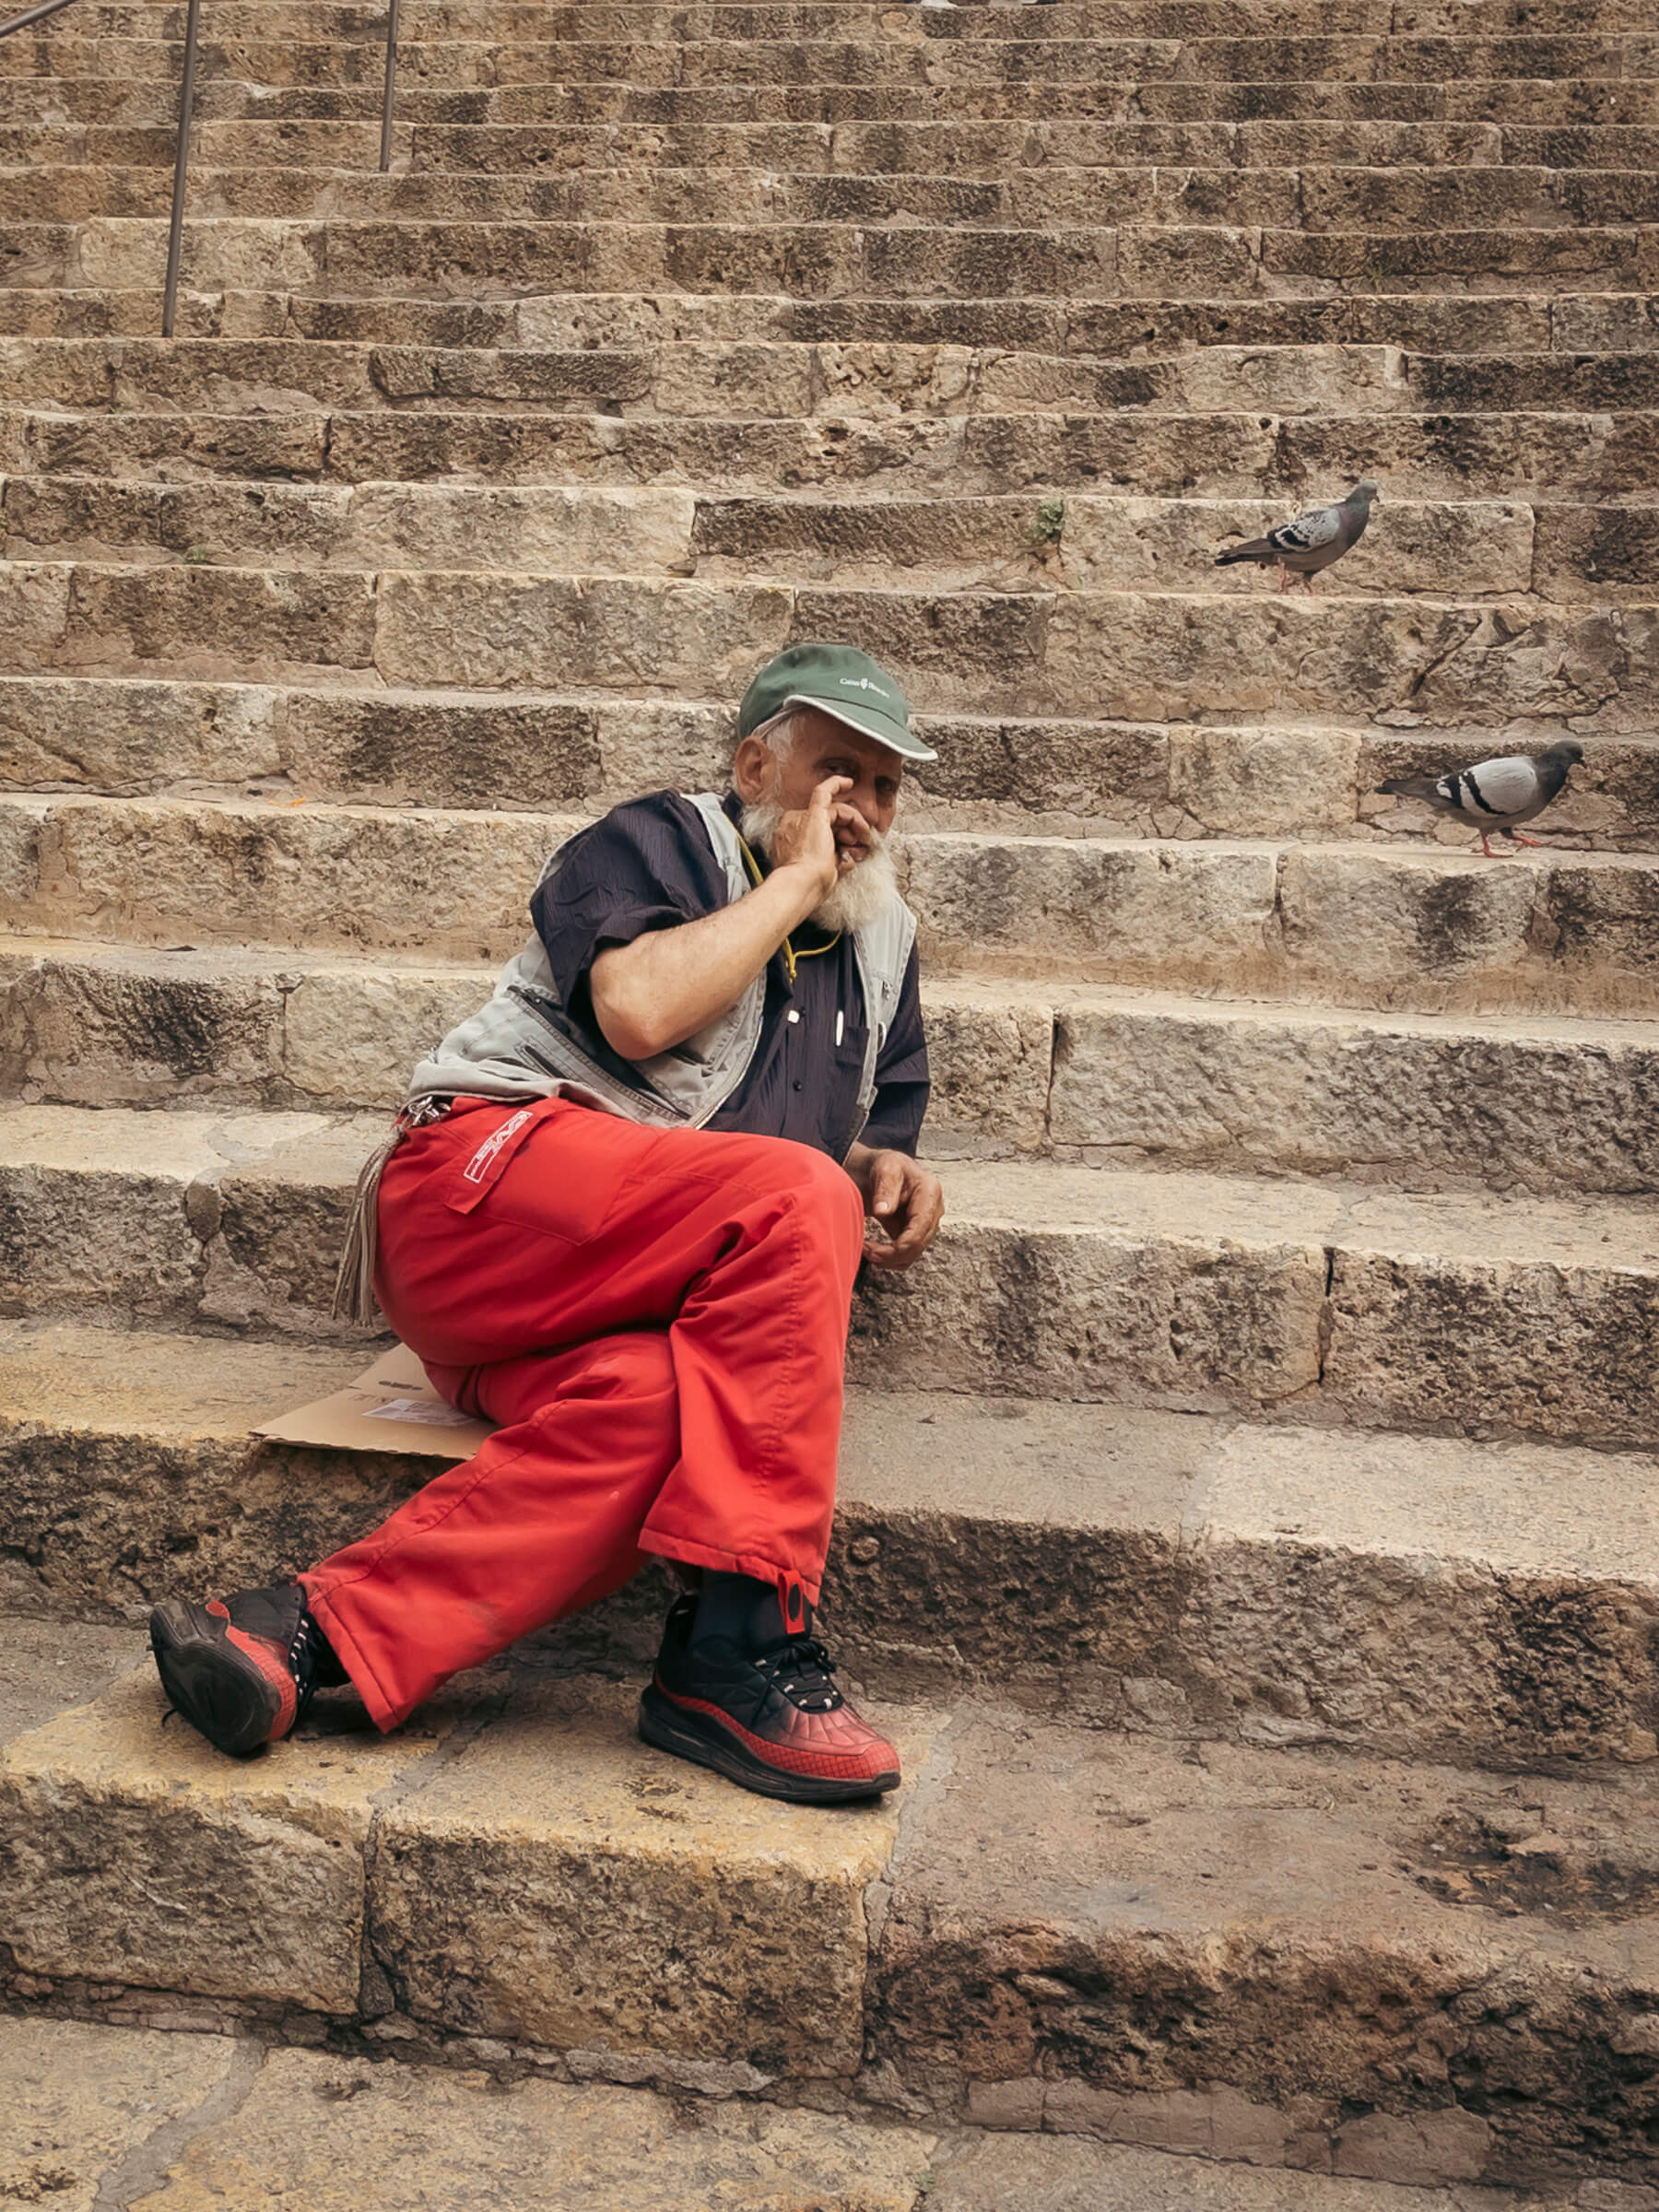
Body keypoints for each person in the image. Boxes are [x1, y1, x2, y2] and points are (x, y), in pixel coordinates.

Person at [148, 643, 946, 1807]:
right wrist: (790, 883)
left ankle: (303, 1635)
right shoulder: (661, 840)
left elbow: (844, 1136)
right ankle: (745, 1643)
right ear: (754, 765)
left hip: (606, 1297)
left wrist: (885, 1165)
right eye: (835, 774)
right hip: (479, 1195)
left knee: (671, 1412)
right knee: (793, 1193)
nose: (860, 812)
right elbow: (634, 1012)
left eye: (882, 786)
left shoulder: (887, 950)